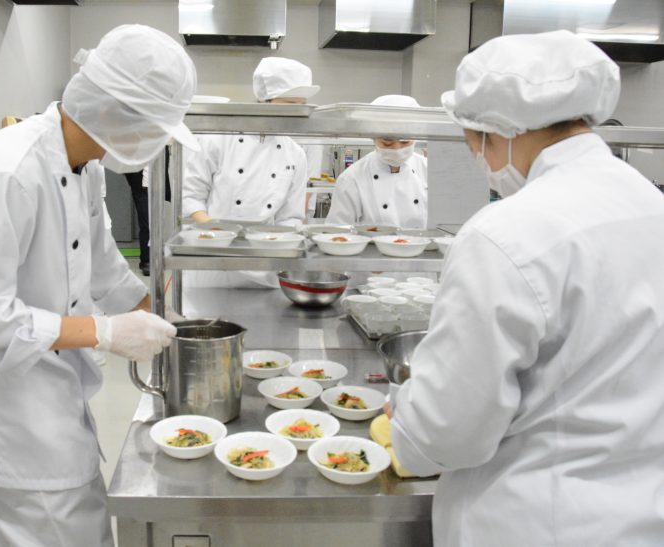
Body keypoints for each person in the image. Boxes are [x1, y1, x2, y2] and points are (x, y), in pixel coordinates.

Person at [386, 30, 664, 546]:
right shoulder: (651, 206)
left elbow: (448, 433)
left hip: (535, 521)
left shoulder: (505, 234)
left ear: (497, 133)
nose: (479, 160)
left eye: (473, 143)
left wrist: (403, 417)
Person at [0, 25, 197, 546]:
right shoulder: (9, 171)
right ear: (115, 112)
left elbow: (102, 265)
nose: (155, 141)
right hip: (8, 414)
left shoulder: (82, 163)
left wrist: (165, 315)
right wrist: (103, 332)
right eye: (153, 127)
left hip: (52, 394)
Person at [181, 57, 315, 287]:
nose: (296, 112)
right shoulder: (218, 138)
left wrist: (280, 244)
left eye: (301, 105)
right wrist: (215, 229)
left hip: (264, 264)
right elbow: (190, 195)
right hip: (213, 260)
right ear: (264, 100)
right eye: (289, 103)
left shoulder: (295, 153)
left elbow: (290, 216)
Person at [326, 95, 428, 228]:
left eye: (405, 142)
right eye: (387, 143)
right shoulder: (351, 178)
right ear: (373, 138)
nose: (397, 149)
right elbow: (337, 231)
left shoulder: (429, 170)